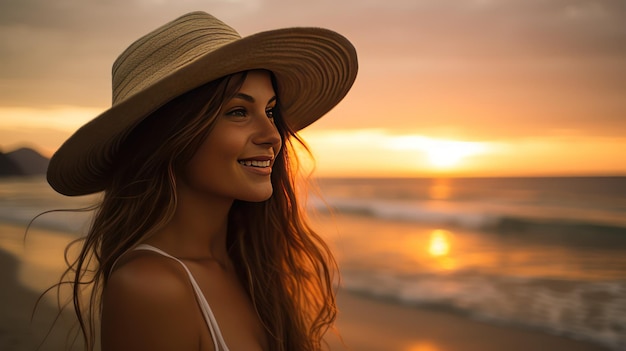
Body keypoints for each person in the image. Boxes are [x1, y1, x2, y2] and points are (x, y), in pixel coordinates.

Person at [45, 11, 357, 351]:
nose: (273, 136)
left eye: (270, 111)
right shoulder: (150, 287)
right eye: (238, 111)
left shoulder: (253, 267)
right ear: (171, 136)